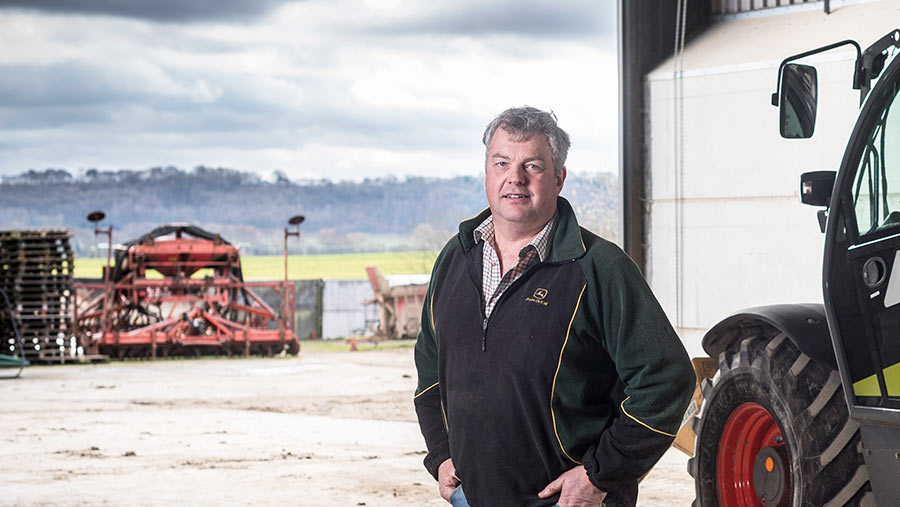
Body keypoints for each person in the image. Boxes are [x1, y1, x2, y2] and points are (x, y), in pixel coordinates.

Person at [414, 106, 695, 507]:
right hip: (471, 497)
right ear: (486, 173)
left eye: (532, 165)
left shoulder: (598, 268)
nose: (515, 177)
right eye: (501, 163)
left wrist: (600, 474)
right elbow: (430, 369)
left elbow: (667, 380)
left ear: (559, 178)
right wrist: (441, 454)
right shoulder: (455, 258)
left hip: (568, 501)